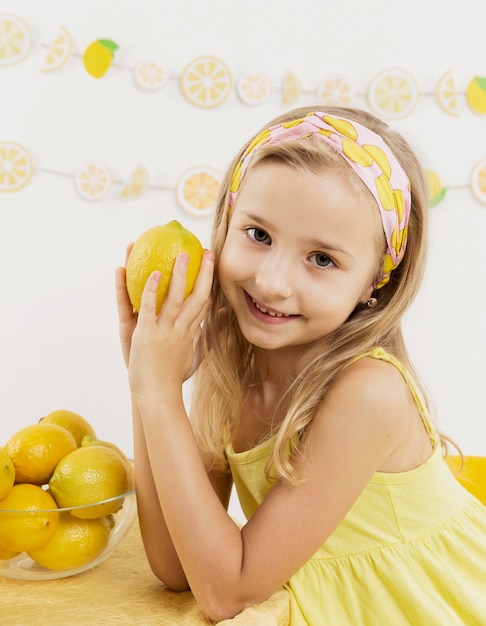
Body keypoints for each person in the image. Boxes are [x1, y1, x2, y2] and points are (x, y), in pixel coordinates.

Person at [115, 106, 486, 625]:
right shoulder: (231, 366)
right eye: (258, 235)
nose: (271, 282)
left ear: (374, 283)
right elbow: (179, 566)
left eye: (322, 259)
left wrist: (157, 393)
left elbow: (226, 592)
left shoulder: (368, 392)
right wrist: (150, 381)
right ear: (225, 223)